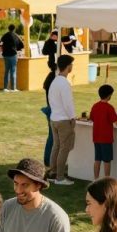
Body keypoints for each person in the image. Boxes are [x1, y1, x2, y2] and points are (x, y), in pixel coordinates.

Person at [48, 54, 76, 185]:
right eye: (71, 64)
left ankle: (52, 173)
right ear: (68, 66)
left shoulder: (55, 81)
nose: (72, 67)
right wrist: (72, 117)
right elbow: (68, 103)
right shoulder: (64, 83)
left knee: (56, 146)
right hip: (63, 119)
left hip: (54, 118)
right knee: (64, 148)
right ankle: (60, 177)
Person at [90, 84, 117, 180]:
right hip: (106, 139)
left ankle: (95, 179)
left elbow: (92, 118)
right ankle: (106, 181)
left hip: (96, 137)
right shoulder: (109, 108)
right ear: (109, 95)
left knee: (97, 159)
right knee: (107, 161)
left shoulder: (95, 106)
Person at [1, 23, 24, 92]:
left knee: (6, 71)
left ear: (8, 29)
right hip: (13, 54)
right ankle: (13, 88)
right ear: (14, 29)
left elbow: (1, 40)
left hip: (5, 55)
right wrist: (17, 48)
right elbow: (22, 45)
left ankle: (5, 88)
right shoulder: (16, 36)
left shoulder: (5, 35)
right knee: (13, 71)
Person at [42, 70, 56, 169]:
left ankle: (47, 160)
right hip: (53, 112)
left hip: (50, 110)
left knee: (51, 137)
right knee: (52, 138)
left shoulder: (49, 81)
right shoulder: (54, 83)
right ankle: (48, 161)